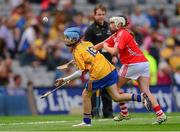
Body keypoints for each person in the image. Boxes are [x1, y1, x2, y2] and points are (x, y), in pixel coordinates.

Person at [55, 27, 151, 127]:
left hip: (98, 74)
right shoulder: (87, 43)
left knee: (85, 95)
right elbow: (91, 55)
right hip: (109, 69)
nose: (65, 39)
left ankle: (86, 122)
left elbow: (80, 73)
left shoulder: (76, 52)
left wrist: (65, 79)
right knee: (116, 97)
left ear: (74, 38)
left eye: (67, 37)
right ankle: (141, 98)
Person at [95, 16, 167, 124]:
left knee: (114, 88)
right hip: (143, 63)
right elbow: (100, 45)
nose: (110, 25)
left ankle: (124, 112)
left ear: (119, 24)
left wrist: (106, 46)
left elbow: (114, 52)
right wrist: (88, 50)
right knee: (146, 91)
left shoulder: (121, 34)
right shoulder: (119, 34)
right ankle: (160, 114)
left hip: (132, 64)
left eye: (112, 23)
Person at [84, 4, 130, 119]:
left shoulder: (110, 27)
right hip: (96, 64)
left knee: (108, 88)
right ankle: (93, 113)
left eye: (103, 14)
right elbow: (88, 48)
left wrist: (115, 55)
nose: (101, 16)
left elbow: (116, 43)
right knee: (93, 89)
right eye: (99, 14)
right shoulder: (90, 30)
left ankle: (108, 113)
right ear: (94, 15)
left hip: (110, 63)